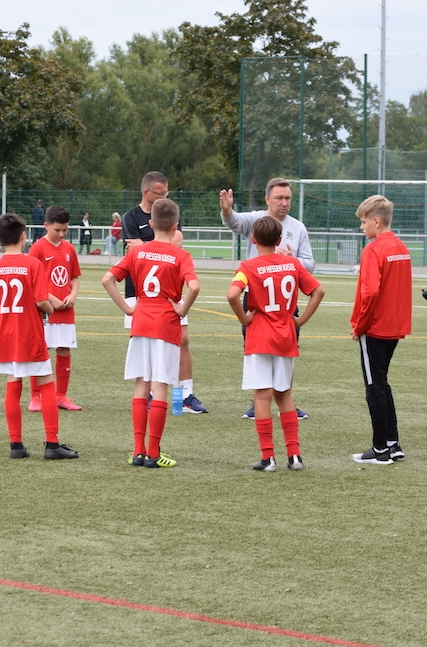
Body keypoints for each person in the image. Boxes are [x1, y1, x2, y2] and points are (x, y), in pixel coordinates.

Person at [103, 198, 200, 468]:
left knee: (141, 384)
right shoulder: (180, 255)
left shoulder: (137, 252)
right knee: (160, 386)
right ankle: (154, 453)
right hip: (165, 324)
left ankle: (138, 451)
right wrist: (181, 309)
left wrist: (128, 308)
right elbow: (194, 286)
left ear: (152, 223)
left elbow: (107, 279)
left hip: (141, 322)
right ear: (176, 226)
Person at [228, 216, 324, 472]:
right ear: (279, 240)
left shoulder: (248, 266)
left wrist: (244, 318)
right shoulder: (293, 264)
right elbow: (318, 291)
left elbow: (232, 294)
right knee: (285, 394)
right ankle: (294, 455)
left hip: (259, 337)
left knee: (262, 396)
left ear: (253, 239)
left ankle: (268, 457)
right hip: (285, 336)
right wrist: (300, 320)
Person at [0, 213, 79, 461]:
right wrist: (51, 309)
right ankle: (52, 443)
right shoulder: (32, 264)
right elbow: (40, 300)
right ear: (23, 236)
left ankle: (16, 444)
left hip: (4, 336)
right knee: (46, 383)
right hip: (29, 334)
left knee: (13, 383)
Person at [219, 178, 315, 419]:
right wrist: (227, 210)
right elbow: (234, 222)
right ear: (267, 199)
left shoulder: (298, 227)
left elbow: (310, 263)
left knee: (288, 351)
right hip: (256, 300)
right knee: (257, 350)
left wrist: (291, 261)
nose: (284, 203)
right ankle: (259, 402)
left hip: (285, 302)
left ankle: (285, 397)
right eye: (279, 198)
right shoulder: (256, 220)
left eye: (288, 198)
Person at [122, 171, 207, 414]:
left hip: (170, 290)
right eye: (160, 193)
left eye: (166, 192)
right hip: (139, 291)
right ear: (146, 192)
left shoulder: (168, 211)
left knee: (183, 339)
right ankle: (149, 394)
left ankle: (186, 395)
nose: (164, 197)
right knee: (144, 344)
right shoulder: (131, 217)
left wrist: (146, 245)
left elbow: (176, 239)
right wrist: (160, 245)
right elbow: (133, 250)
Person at [349, 195, 412, 465]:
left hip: (375, 327)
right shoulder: (401, 247)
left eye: (364, 222)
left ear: (376, 221)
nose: (362, 226)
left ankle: (380, 449)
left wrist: (359, 325)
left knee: (374, 386)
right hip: (394, 326)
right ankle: (392, 443)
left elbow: (370, 292)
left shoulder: (374, 249)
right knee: (382, 383)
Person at [27, 205, 83, 412]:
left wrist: (72, 294)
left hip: (66, 309)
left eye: (65, 230)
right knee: (41, 351)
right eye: (57, 230)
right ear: (46, 225)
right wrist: (50, 299)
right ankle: (35, 397)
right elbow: (32, 281)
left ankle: (61, 396)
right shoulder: (38, 248)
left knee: (64, 349)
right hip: (44, 309)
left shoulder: (69, 249)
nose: (61, 234)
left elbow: (74, 276)